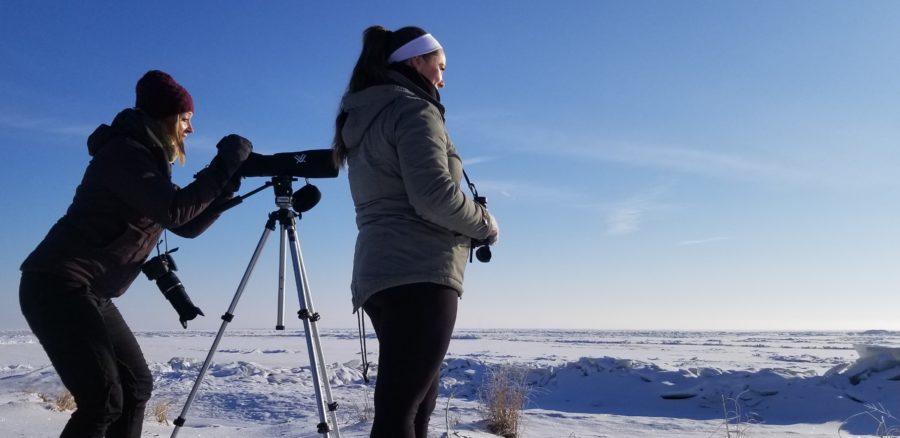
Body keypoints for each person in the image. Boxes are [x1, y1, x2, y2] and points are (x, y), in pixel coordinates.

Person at [19, 70, 252, 438]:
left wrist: (223, 191)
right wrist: (222, 167)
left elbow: (184, 226)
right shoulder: (124, 153)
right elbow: (175, 210)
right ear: (168, 118)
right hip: (57, 285)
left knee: (136, 387)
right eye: (187, 119)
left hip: (91, 293)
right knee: (103, 400)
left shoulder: (146, 160)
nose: (190, 129)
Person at [333, 26, 499, 437]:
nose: (442, 79)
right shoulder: (412, 110)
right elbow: (433, 196)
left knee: (412, 406)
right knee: (399, 413)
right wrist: (485, 224)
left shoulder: (365, 114)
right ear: (415, 62)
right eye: (439, 67)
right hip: (421, 271)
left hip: (378, 272)